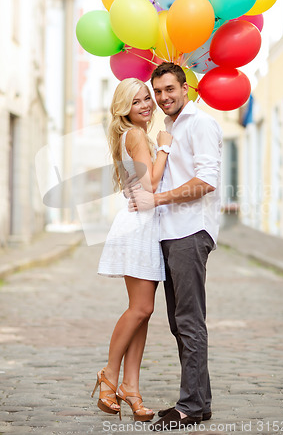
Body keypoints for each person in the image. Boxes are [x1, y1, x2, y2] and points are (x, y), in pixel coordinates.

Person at [128, 62, 223, 431]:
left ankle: (187, 407)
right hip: (170, 232)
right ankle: (201, 403)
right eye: (159, 92)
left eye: (171, 89)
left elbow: (207, 181)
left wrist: (160, 198)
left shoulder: (200, 123)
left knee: (188, 320)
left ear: (186, 89)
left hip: (190, 231)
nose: (164, 97)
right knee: (179, 322)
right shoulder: (170, 127)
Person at [92, 78, 172, 422]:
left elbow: (140, 186)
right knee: (140, 308)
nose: (145, 105)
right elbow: (151, 184)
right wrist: (165, 148)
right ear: (125, 107)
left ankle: (131, 388)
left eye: (147, 99)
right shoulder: (137, 135)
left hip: (144, 223)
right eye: (137, 101)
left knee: (143, 311)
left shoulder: (135, 135)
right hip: (138, 228)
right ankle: (110, 375)